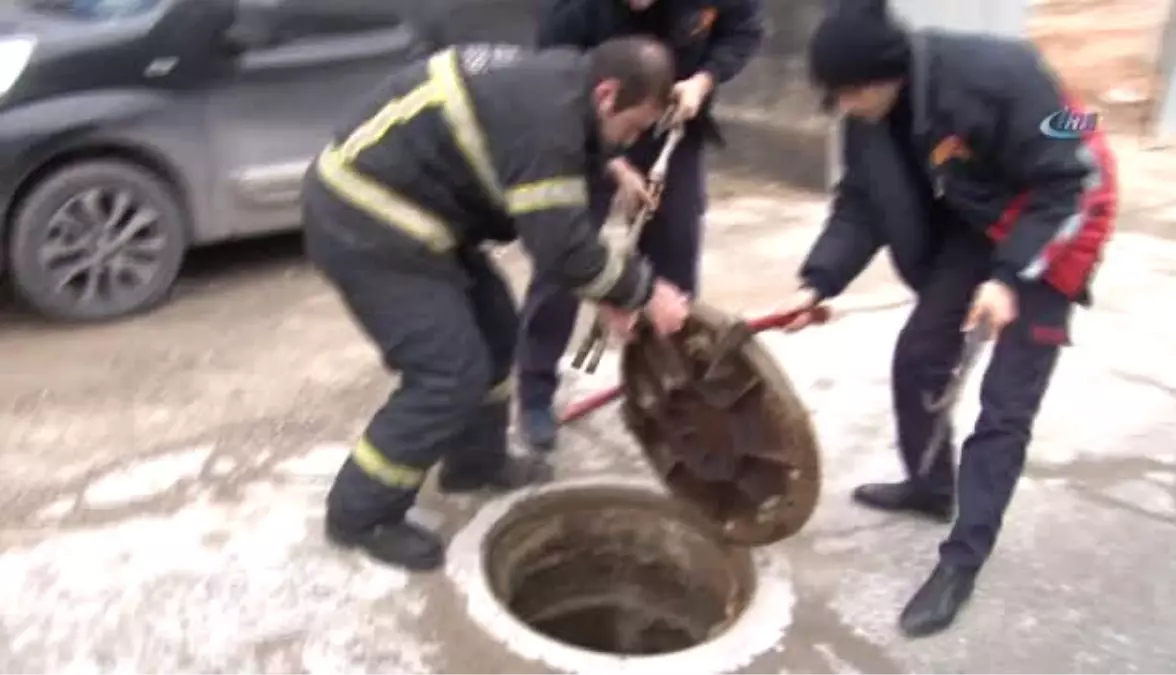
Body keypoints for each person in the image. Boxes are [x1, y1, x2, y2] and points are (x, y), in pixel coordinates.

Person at [777, 1, 1117, 637]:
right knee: (920, 354)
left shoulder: (1002, 73)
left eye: (848, 93)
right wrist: (817, 281)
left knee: (1003, 407)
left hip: (1063, 217)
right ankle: (932, 487)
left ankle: (961, 562)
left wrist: (1011, 277)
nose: (843, 107)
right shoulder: (870, 116)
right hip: (983, 214)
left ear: (884, 75)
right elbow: (860, 203)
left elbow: (1067, 178)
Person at [303, 38, 693, 571]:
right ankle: (361, 513)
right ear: (607, 94)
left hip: (420, 215)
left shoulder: (566, 85)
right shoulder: (548, 121)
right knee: (447, 371)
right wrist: (646, 293)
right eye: (630, 128)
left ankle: (473, 462)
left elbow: (567, 228)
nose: (629, 143)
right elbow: (561, 248)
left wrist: (606, 292)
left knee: (497, 334)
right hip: (364, 220)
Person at [516, 0, 765, 450]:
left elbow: (743, 32)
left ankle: (674, 389)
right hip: (588, 129)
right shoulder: (568, 14)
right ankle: (535, 395)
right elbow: (554, 85)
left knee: (676, 258)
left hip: (672, 121)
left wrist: (703, 81)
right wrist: (613, 161)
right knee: (562, 258)